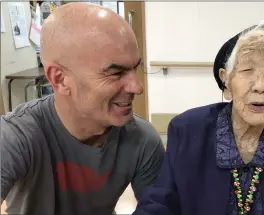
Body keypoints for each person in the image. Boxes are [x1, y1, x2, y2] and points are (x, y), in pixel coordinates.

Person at [133, 24, 264, 215]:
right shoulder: (187, 130)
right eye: (247, 70)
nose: (261, 86)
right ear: (227, 81)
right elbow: (159, 202)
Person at [1, 3, 165, 215]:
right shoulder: (15, 137)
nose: (137, 87)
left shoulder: (143, 140)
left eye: (135, 68)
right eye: (116, 73)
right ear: (60, 79)